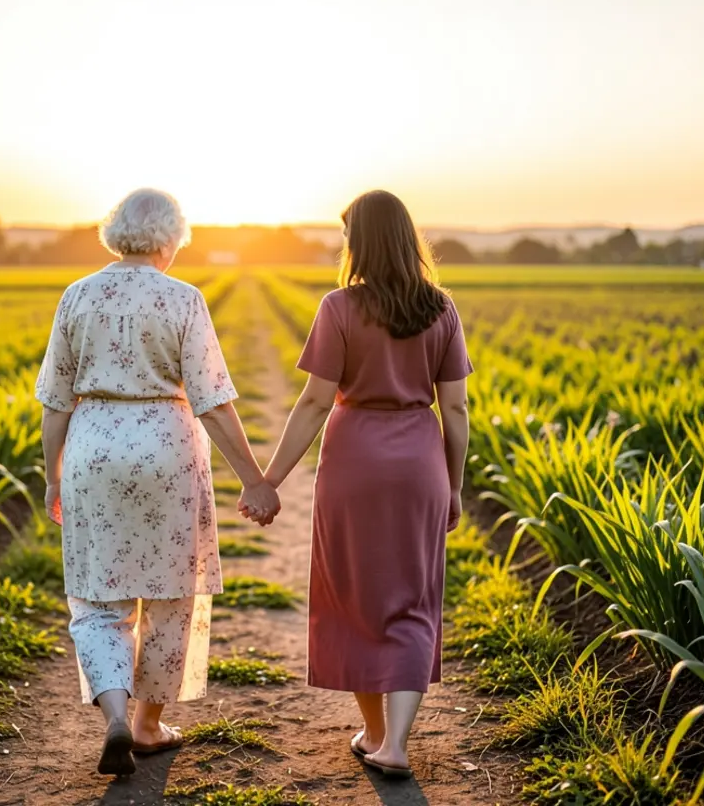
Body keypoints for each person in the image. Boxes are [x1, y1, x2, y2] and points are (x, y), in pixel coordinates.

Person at [36, 188, 280, 776]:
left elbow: (54, 402)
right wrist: (255, 481)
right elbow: (215, 404)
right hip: (166, 452)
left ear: (114, 233)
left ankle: (115, 713)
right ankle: (147, 727)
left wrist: (53, 478)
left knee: (99, 599)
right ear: (171, 240)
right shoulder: (184, 299)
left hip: (93, 450)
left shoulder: (77, 295)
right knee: (170, 596)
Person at [245, 190, 472, 778]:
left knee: (354, 595)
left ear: (360, 242)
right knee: (413, 598)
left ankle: (373, 732)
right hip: (420, 461)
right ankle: (392, 742)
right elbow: (458, 411)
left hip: (353, 461)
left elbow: (317, 399)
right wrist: (454, 485)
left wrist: (269, 479)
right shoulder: (441, 309)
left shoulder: (339, 307)